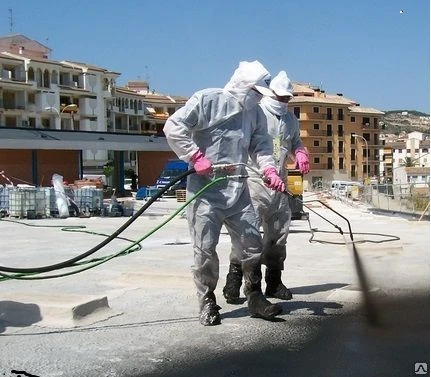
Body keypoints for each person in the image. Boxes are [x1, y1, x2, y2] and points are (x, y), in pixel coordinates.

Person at [163, 60, 286, 326]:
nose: (257, 99)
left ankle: (254, 295)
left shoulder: (255, 113)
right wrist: (195, 156)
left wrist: (269, 170)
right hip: (206, 191)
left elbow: (261, 145)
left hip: (238, 188)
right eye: (255, 93)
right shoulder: (207, 100)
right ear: (244, 87)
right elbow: (173, 127)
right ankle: (207, 300)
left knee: (252, 242)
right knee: (205, 250)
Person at [222, 70, 310, 304]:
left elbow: (295, 141)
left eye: (287, 98)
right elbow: (249, 145)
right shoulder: (256, 113)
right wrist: (265, 171)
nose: (284, 101)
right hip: (254, 182)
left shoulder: (290, 119)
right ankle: (235, 277)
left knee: (278, 235)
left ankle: (274, 281)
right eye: (281, 97)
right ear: (270, 93)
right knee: (247, 235)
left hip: (279, 184)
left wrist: (300, 151)